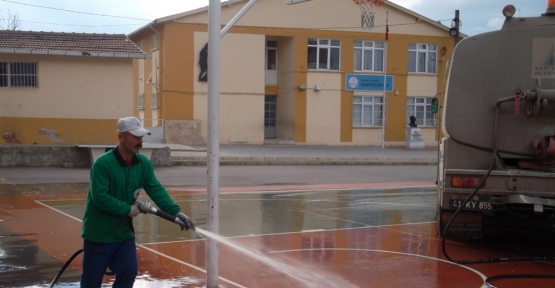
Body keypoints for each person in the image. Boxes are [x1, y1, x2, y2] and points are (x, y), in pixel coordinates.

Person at [80, 116, 195, 288]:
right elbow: (100, 198)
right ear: (121, 137)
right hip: (99, 233)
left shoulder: (143, 164)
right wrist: (127, 209)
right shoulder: (103, 164)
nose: (140, 141)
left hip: (123, 232)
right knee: (92, 280)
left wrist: (176, 212)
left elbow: (155, 189)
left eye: (141, 137)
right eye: (135, 137)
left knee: (129, 271)